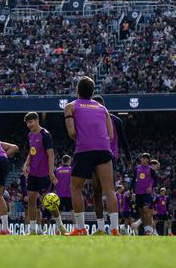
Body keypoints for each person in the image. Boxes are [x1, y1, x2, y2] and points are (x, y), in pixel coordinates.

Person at [63, 77, 120, 236]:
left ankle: (80, 229)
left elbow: (72, 132)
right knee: (109, 190)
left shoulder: (71, 107)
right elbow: (110, 135)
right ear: (92, 91)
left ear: (77, 90)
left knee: (75, 188)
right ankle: (115, 229)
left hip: (84, 149)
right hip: (103, 149)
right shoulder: (103, 109)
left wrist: (84, 139)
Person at [90, 94, 129, 234]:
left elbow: (123, 140)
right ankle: (100, 227)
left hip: (109, 157)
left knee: (109, 191)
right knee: (96, 193)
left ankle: (114, 228)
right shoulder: (90, 120)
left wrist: (128, 158)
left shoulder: (115, 120)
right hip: (94, 156)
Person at [22, 112, 56, 235]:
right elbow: (32, 152)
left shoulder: (45, 135)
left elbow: (51, 154)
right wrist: (26, 164)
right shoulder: (30, 135)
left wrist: (51, 172)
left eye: (31, 122)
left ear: (37, 120)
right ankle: (32, 229)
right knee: (31, 200)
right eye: (27, 123)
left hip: (44, 174)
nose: (29, 125)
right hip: (33, 174)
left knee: (48, 201)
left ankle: (59, 224)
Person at [130, 154, 158, 235]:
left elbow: (155, 181)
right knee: (141, 211)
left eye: (146, 158)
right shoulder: (137, 168)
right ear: (141, 159)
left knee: (146, 210)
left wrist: (150, 187)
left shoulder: (151, 169)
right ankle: (147, 230)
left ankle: (149, 230)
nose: (144, 160)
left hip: (146, 193)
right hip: (138, 192)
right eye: (143, 158)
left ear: (148, 160)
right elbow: (133, 179)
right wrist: (131, 189)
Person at [51, 154, 73, 235]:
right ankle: (76, 229)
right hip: (69, 194)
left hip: (59, 194)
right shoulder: (71, 170)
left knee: (59, 213)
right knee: (73, 212)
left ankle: (58, 230)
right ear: (68, 161)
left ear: (62, 161)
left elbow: (53, 182)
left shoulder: (57, 170)